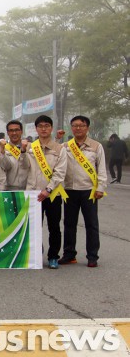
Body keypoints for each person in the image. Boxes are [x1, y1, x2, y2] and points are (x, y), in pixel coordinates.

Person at [60, 115, 108, 268]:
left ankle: (92, 256)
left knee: (91, 224)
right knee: (69, 224)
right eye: (75, 125)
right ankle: (69, 254)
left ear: (87, 128)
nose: (78, 128)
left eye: (81, 125)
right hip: (70, 190)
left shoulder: (96, 146)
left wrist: (101, 188)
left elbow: (101, 169)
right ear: (71, 128)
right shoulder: (65, 146)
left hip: (89, 191)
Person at [22, 115, 68, 269]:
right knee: (34, 226)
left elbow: (60, 172)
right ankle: (35, 254)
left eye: (47, 126)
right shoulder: (30, 147)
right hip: (33, 194)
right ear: (36, 129)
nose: (43, 129)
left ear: (51, 128)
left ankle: (53, 256)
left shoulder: (59, 149)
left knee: (54, 227)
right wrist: (22, 152)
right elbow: (23, 167)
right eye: (40, 126)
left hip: (53, 194)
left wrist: (48, 189)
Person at [0, 120, 30, 191]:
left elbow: (26, 165)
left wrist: (23, 151)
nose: (14, 133)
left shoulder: (30, 147)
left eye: (17, 130)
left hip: (28, 189)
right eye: (11, 130)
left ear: (21, 131)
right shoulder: (3, 147)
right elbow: (5, 167)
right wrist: (2, 151)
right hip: (9, 189)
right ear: (7, 133)